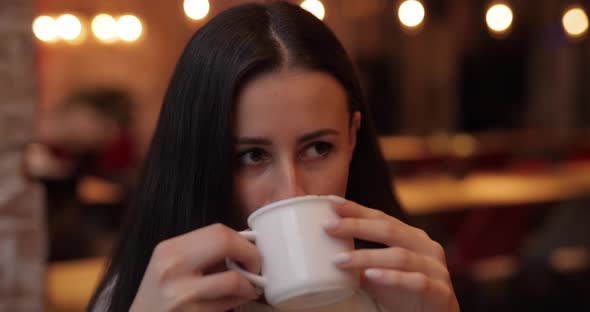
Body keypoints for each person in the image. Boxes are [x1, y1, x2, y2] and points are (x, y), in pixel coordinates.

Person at [88, 2, 459, 311]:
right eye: (252, 155)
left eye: (318, 148)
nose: (292, 192)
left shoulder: (401, 292)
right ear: (200, 159)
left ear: (352, 137)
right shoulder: (146, 299)